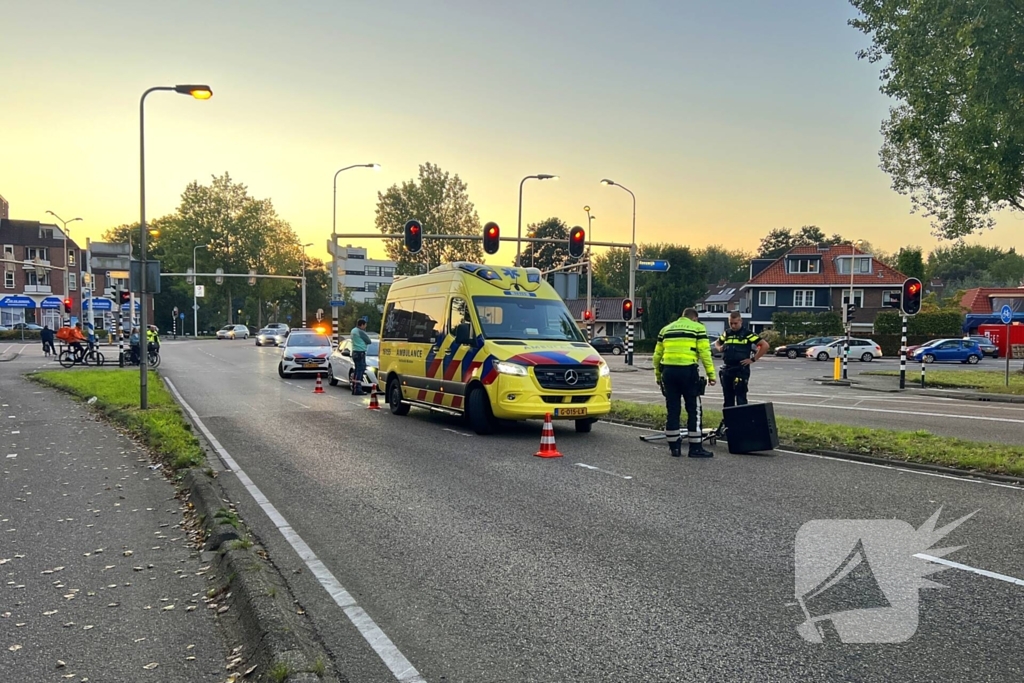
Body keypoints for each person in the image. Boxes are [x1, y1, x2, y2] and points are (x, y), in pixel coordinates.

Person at [652, 308, 717, 458]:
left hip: (668, 372)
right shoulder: (698, 328)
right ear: (695, 318)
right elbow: (705, 353)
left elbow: (657, 356)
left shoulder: (665, 330)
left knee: (673, 409)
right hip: (688, 372)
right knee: (694, 409)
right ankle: (695, 448)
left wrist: (658, 375)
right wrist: (711, 374)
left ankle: (674, 448)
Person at [714, 311, 769, 410]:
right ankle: (729, 422)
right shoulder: (727, 333)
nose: (733, 326)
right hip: (727, 369)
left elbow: (765, 345)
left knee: (741, 398)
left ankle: (742, 423)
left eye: (735, 323)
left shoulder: (747, 334)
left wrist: (753, 359)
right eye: (731, 323)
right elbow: (717, 343)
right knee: (728, 398)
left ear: (741, 321)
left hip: (741, 369)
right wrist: (719, 348)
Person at [349, 317, 372, 395]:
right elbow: (369, 341)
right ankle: (358, 389)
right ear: (361, 325)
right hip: (360, 352)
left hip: (355, 352)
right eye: (365, 325)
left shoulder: (353, 330)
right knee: (360, 370)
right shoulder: (360, 332)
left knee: (357, 370)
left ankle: (354, 388)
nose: (365, 327)